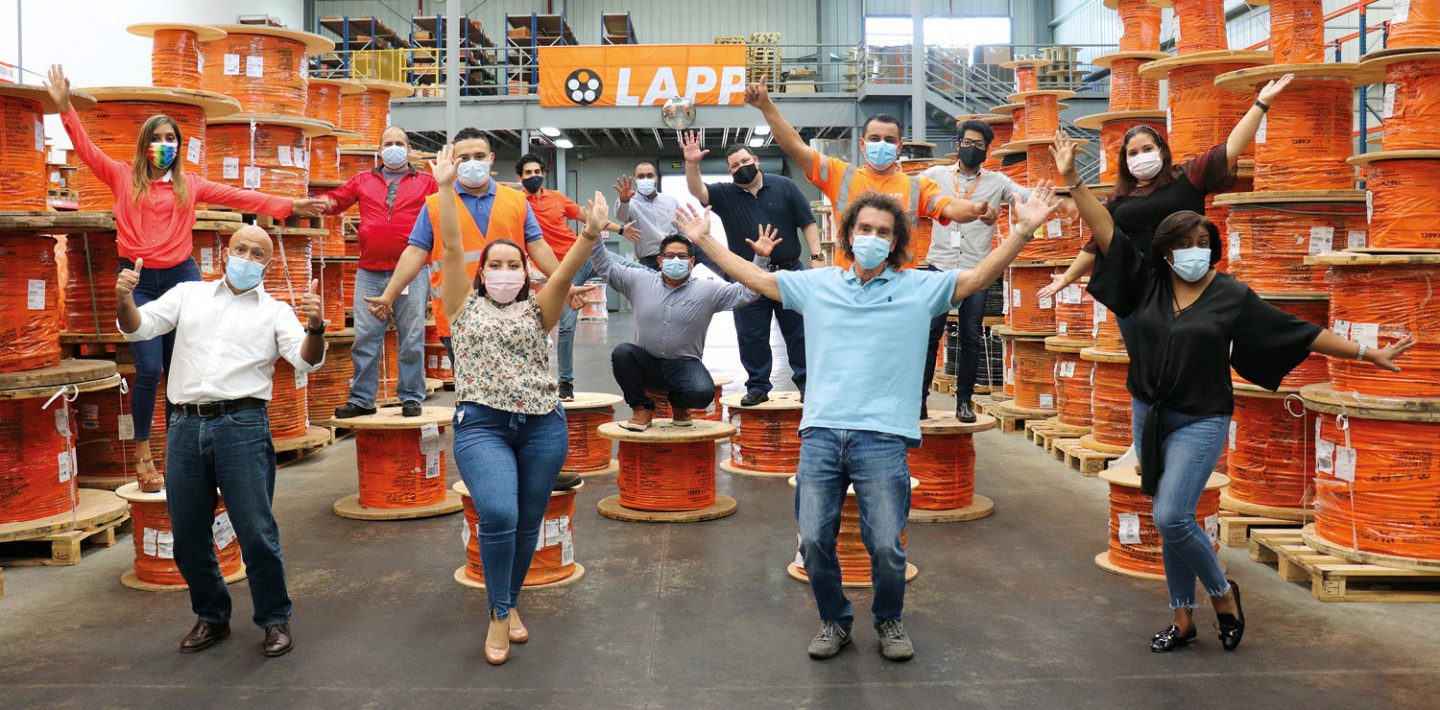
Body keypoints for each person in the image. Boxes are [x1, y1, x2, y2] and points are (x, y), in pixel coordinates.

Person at [1054, 131, 1415, 653]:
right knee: (1171, 516)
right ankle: (1182, 619)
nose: (1194, 252)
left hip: (1201, 418)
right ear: (1165, 251)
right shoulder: (1144, 284)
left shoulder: (1229, 295)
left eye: (1203, 244)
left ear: (1214, 248)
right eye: (1183, 245)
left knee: (1172, 516)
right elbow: (1106, 227)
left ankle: (1223, 594)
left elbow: (1297, 331)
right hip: (1149, 413)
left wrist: (1367, 354)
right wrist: (1071, 179)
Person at [679, 186, 1063, 662]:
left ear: (897, 240)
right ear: (848, 234)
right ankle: (835, 621)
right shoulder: (818, 284)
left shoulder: (919, 290)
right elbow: (757, 279)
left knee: (885, 544)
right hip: (820, 433)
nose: (872, 237)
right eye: (865, 229)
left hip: (882, 438)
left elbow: (980, 275)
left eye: (883, 232)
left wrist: (1023, 229)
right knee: (815, 540)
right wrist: (705, 241)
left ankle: (888, 619)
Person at [47, 65, 325, 492]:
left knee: (185, 363)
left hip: (181, 277)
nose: (164, 145)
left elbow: (239, 196)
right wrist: (65, 109)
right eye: (157, 139)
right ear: (145, 145)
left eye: (171, 139)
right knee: (150, 367)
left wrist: (288, 205)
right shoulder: (123, 177)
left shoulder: (188, 185)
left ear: (179, 146)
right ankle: (143, 453)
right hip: (138, 279)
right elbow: (87, 152)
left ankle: (186, 449)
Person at [115, 225, 327, 658]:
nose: (247, 258)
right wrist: (124, 298)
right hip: (185, 426)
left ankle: (274, 618)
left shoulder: (275, 311)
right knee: (189, 532)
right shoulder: (188, 296)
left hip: (242, 426)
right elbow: (138, 328)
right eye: (241, 249)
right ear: (224, 253)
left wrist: (317, 327)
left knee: (255, 530)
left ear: (267, 265)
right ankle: (212, 615)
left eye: (258, 254)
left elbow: (305, 359)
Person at [428, 145, 601, 665]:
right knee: (498, 512)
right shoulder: (460, 303)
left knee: (528, 521)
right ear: (483, 274)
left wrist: (590, 233)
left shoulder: (538, 308)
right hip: (482, 425)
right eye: (495, 265)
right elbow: (454, 248)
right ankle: (501, 611)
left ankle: (506, 605)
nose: (504, 271)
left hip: (544, 426)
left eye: (513, 264)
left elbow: (565, 273)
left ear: (526, 272)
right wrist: (442, 189)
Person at [1038, 74, 1296, 303]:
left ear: (1162, 151)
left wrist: (1260, 105)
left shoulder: (1188, 176)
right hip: (1140, 292)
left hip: (1188, 280)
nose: (1141, 156)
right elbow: (1097, 244)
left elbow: (1231, 147)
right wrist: (1066, 278)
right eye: (1133, 153)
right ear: (1125, 162)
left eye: (1148, 149)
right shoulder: (1118, 201)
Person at [362, 129, 580, 360]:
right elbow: (414, 252)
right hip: (458, 316)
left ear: (491, 158)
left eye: (479, 156)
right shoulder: (436, 205)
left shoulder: (516, 201)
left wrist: (564, 285)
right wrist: (389, 295)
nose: (472, 163)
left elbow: (538, 246)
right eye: (463, 158)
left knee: (512, 388)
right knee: (469, 392)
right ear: (452, 162)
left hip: (512, 313)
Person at [745, 74, 994, 272]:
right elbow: (795, 146)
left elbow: (950, 208)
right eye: (875, 139)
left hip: (896, 288)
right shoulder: (839, 175)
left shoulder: (918, 186)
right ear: (863, 145)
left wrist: (974, 210)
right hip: (850, 285)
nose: (881, 144)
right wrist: (766, 107)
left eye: (888, 140)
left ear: (899, 148)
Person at [918, 119, 1045, 422]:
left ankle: (964, 401)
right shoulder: (935, 176)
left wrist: (1047, 196)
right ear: (957, 144)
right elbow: (907, 189)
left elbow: (1022, 195)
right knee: (930, 334)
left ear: (987, 149)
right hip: (940, 267)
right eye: (967, 143)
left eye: (978, 145)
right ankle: (918, 400)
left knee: (972, 335)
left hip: (978, 270)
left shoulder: (997, 182)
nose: (971, 149)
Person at [681, 131, 819, 406]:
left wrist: (816, 257)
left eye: (744, 161)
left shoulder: (785, 187)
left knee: (799, 332)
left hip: (788, 274)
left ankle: (806, 384)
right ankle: (757, 386)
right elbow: (698, 190)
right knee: (751, 335)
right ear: (729, 171)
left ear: (755, 160)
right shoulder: (725, 194)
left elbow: (807, 222)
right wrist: (692, 163)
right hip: (747, 278)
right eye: (733, 165)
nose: (740, 167)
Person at [315, 126, 438, 419]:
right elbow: (336, 201)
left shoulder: (427, 183)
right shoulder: (363, 181)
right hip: (370, 271)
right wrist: (309, 203)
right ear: (380, 151)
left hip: (410, 271)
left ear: (409, 149)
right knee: (366, 338)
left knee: (411, 337)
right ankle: (362, 400)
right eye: (388, 143)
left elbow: (447, 210)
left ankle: (410, 396)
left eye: (399, 143)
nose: (393, 148)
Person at [592, 227, 765, 431]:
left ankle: (680, 403)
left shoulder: (707, 290)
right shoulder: (638, 281)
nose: (676, 260)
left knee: (702, 393)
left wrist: (760, 258)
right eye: (670, 256)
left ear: (692, 261)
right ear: (660, 260)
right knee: (622, 353)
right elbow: (605, 266)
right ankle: (642, 408)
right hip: (647, 364)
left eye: (682, 256)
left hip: (685, 364)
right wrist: (594, 233)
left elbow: (748, 292)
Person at [515, 153, 635, 400]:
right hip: (562, 272)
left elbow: (589, 219)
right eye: (528, 173)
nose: (534, 176)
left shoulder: (557, 198)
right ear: (520, 178)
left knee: (632, 270)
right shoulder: (518, 204)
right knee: (567, 327)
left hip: (585, 254)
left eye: (537, 171)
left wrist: (621, 228)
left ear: (544, 174)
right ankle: (566, 384)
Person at [614, 162, 679, 270]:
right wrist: (624, 201)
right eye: (641, 176)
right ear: (635, 179)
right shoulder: (629, 202)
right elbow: (621, 217)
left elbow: (681, 230)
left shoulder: (671, 201)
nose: (645, 179)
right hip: (649, 261)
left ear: (656, 178)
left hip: (673, 256)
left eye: (649, 176)